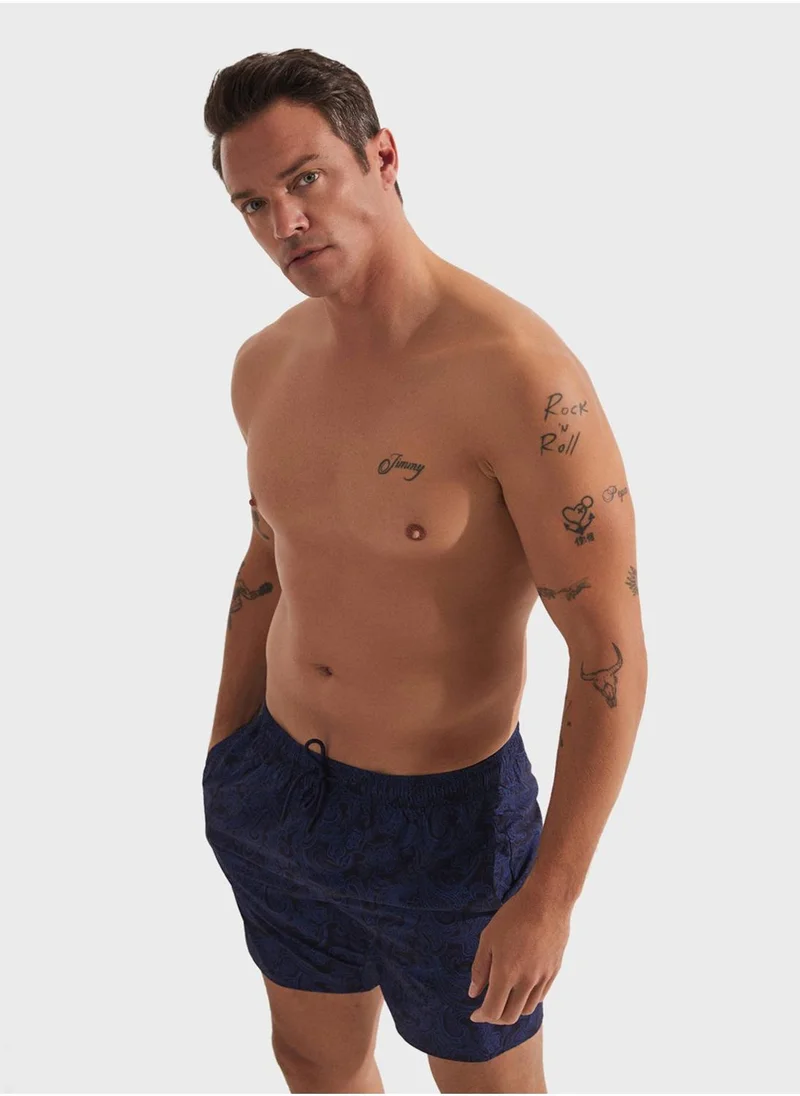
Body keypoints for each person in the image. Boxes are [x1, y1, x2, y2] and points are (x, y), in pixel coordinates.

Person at [200, 47, 648, 1095]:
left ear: (383, 155)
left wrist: (551, 897)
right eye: (252, 203)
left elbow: (609, 648)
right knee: (314, 1062)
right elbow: (268, 558)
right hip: (275, 788)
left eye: (306, 179)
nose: (284, 222)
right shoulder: (265, 363)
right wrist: (226, 755)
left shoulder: (518, 376)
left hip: (445, 823)